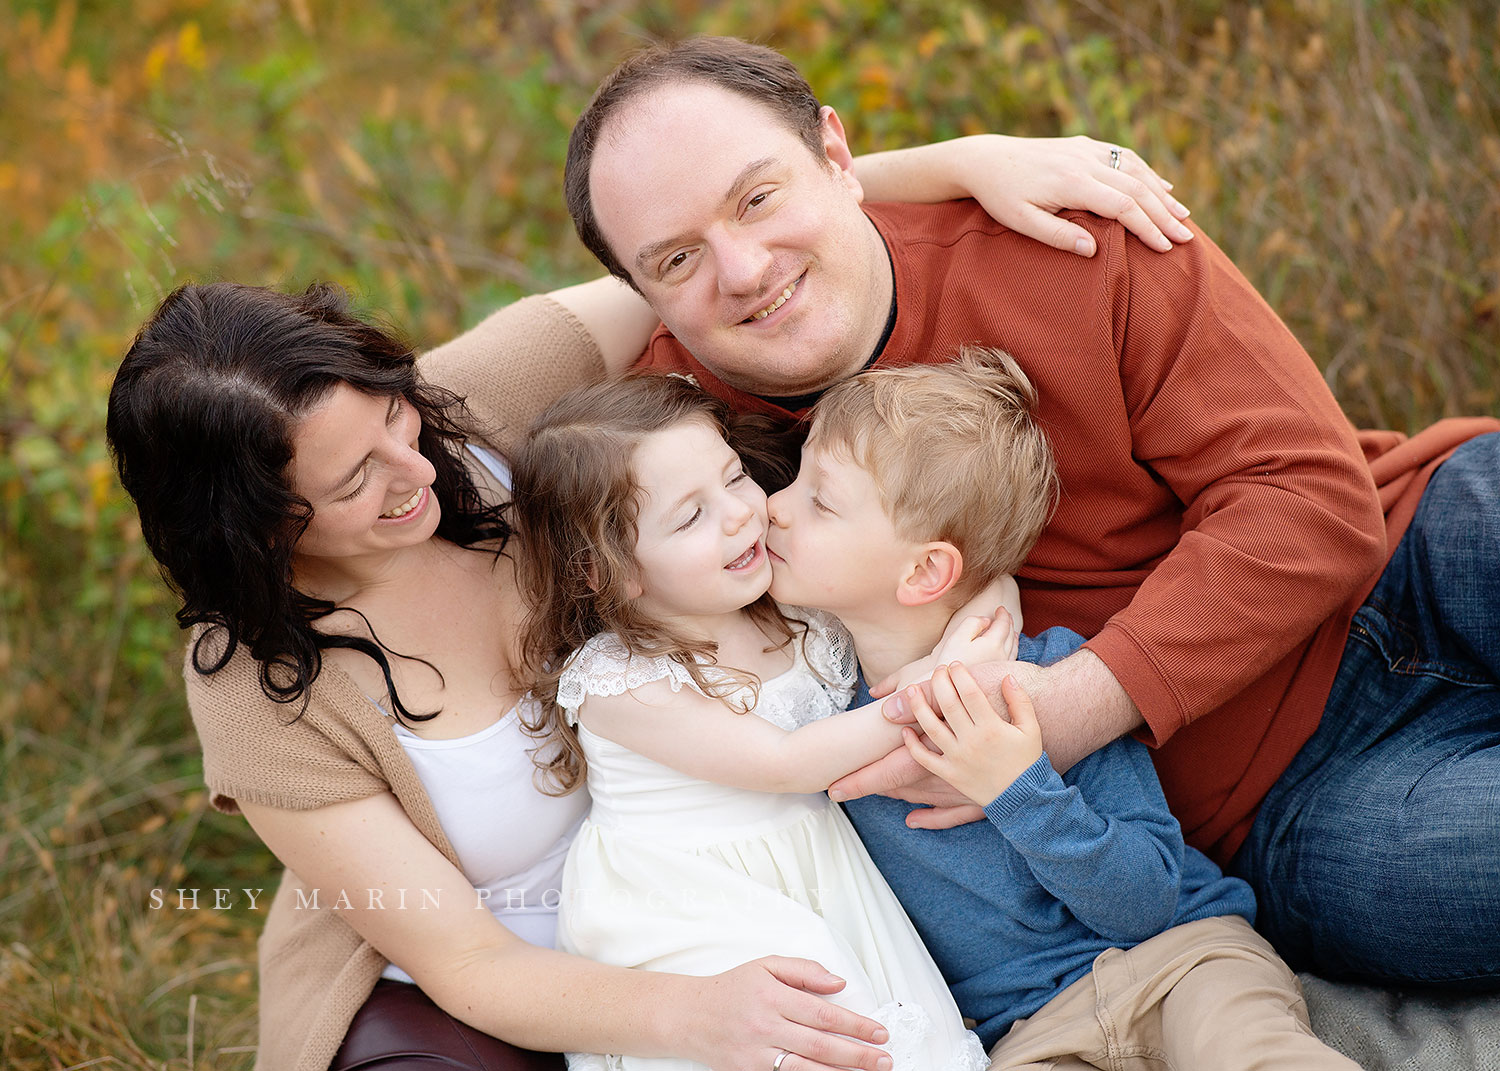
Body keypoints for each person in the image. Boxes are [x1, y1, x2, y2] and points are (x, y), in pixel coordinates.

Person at [105, 133, 1186, 1069]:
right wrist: (691, 1015)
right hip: (501, 995)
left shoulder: (467, 412)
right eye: (354, 485)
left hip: (769, 890)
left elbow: (701, 257)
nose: (415, 472)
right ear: (254, 530)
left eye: (393, 420)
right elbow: (468, 964)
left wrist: (962, 164)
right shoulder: (258, 684)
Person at [554, 34, 1500, 985]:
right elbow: (419, 423)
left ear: (837, 158)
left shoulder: (1061, 232)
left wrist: (1076, 705)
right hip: (1291, 796)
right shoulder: (675, 455)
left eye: (759, 197)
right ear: (642, 296)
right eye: (678, 258)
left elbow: (1308, 496)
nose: (747, 268)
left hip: (1412, 545)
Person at [762, 350, 1359, 1068]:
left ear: (924, 571)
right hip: (1027, 1028)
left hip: (1183, 960)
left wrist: (1018, 790)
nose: (772, 504)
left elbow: (1145, 901)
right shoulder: (822, 718)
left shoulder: (1038, 682)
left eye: (818, 500)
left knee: (1257, 1056)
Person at [508, 374, 1006, 1071]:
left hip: (817, 873)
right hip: (695, 905)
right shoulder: (620, 680)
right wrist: (942, 680)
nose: (743, 514)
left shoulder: (795, 608)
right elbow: (786, 763)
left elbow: (954, 579)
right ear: (607, 570)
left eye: (735, 477)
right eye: (691, 517)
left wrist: (992, 597)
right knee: (810, 1034)